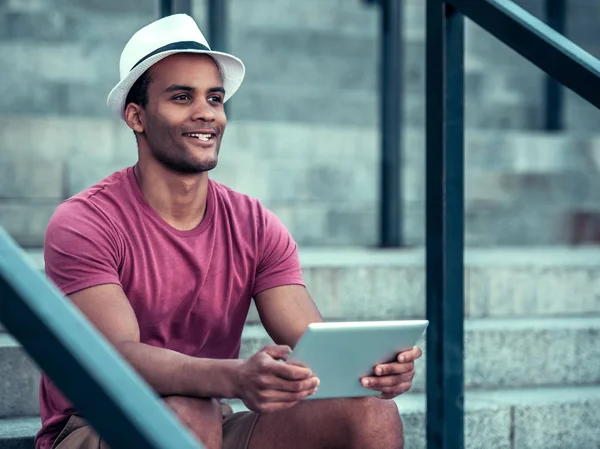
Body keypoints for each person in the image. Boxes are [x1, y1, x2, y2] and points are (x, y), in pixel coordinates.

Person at [35, 13, 422, 449]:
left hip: (210, 422)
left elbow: (314, 349)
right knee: (188, 414)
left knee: (370, 411)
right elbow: (115, 357)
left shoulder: (253, 224)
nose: (206, 113)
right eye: (182, 97)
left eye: (215, 99)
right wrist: (235, 376)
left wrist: (368, 369)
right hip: (99, 423)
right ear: (136, 117)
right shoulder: (85, 221)